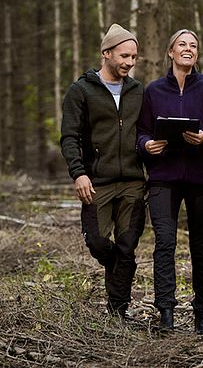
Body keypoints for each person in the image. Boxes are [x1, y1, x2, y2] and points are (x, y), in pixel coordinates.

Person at [136, 29, 203, 334]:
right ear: (171, 52)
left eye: (193, 45)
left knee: (200, 247)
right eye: (182, 44)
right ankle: (166, 313)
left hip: (202, 179)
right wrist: (147, 145)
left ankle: (202, 315)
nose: (188, 49)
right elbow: (141, 132)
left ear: (196, 55)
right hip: (163, 177)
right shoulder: (153, 91)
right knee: (165, 243)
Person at [60, 23, 147, 319]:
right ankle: (116, 268)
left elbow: (148, 132)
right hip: (96, 181)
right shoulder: (81, 90)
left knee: (127, 244)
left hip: (134, 181)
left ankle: (118, 312)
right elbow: (69, 136)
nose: (129, 62)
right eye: (124, 56)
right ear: (106, 53)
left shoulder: (138, 92)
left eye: (134, 57)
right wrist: (78, 173)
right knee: (98, 243)